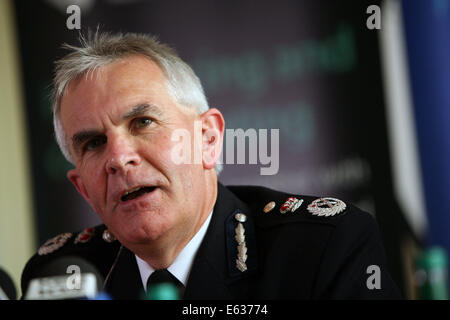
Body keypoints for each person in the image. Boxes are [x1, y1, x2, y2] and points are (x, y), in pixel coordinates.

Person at [21, 32, 401, 299]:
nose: (119, 158)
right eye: (93, 143)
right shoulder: (60, 276)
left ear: (208, 139)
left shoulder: (324, 248)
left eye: (143, 122)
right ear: (83, 188)